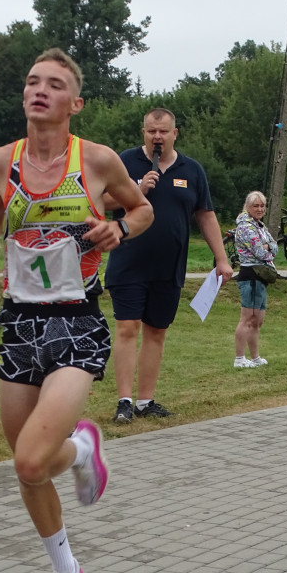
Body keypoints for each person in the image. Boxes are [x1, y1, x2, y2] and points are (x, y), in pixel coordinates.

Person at [0, 48, 153, 573]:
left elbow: (142, 211)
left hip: (78, 321)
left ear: (74, 103)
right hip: (17, 323)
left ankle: (80, 452)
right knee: (27, 464)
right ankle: (65, 568)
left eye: (54, 85)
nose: (40, 90)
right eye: (33, 82)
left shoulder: (98, 161)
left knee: (32, 462)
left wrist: (117, 228)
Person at [104, 107, 233, 423]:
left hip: (169, 265)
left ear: (175, 133)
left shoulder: (192, 170)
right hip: (128, 261)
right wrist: (137, 189)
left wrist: (221, 258)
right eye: (151, 131)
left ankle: (145, 402)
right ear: (143, 132)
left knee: (157, 331)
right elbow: (100, 200)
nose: (157, 137)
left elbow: (206, 214)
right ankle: (124, 401)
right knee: (126, 328)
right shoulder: (124, 162)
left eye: (163, 131)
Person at [232, 191, 278, 368]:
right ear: (248, 207)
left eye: (262, 206)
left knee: (258, 320)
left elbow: (275, 246)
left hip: (262, 276)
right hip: (250, 274)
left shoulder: (259, 225)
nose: (259, 209)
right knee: (247, 318)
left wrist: (268, 246)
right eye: (255, 206)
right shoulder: (245, 227)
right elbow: (260, 252)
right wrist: (267, 247)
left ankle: (255, 357)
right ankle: (239, 358)